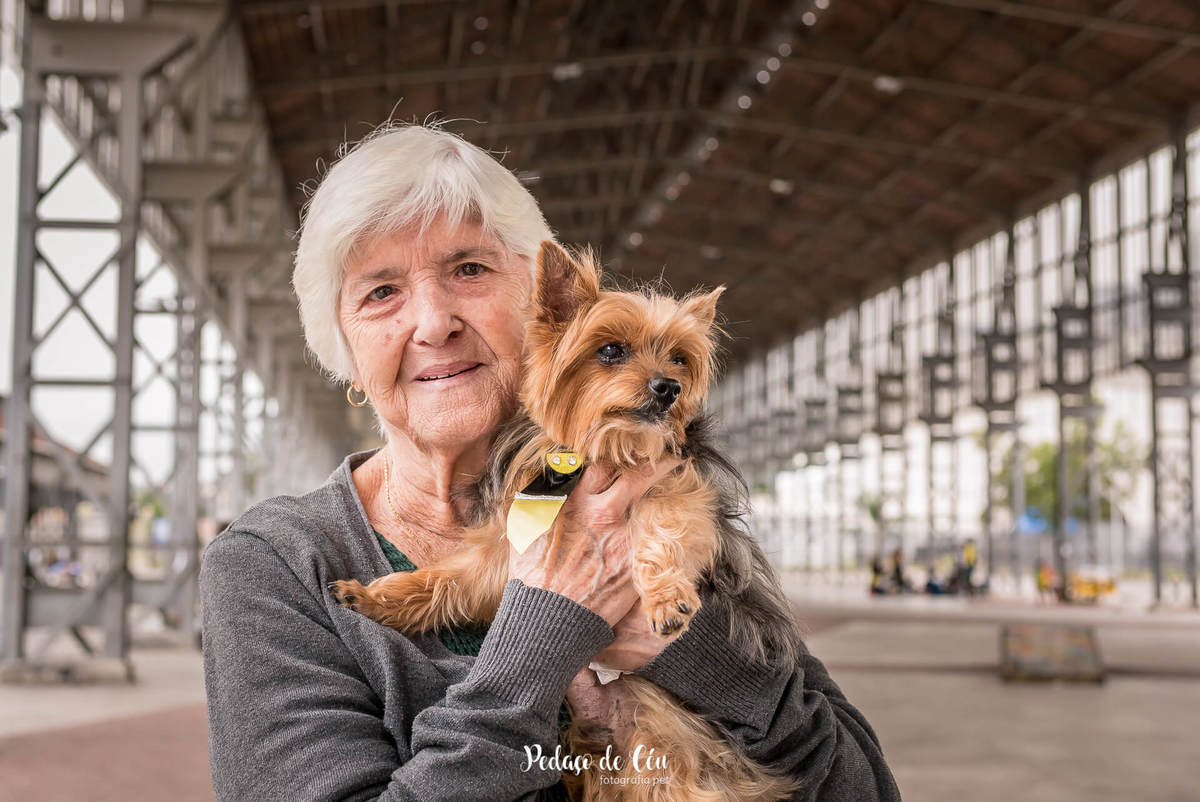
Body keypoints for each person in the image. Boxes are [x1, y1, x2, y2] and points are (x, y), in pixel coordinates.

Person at [199, 123, 901, 801]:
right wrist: (545, 632)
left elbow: (859, 789)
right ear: (346, 352)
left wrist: (686, 644)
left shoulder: (674, 495)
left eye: (469, 269)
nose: (433, 321)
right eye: (382, 292)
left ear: (541, 304)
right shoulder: (277, 567)